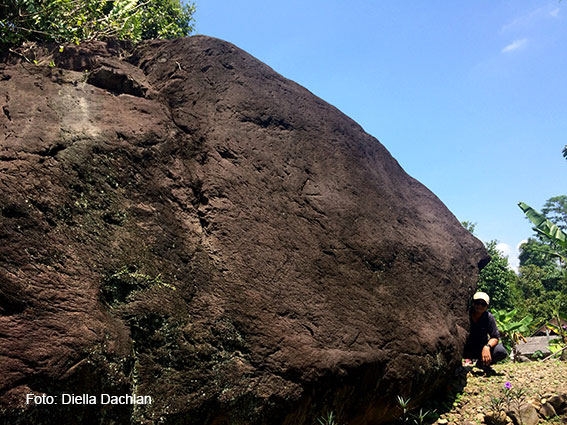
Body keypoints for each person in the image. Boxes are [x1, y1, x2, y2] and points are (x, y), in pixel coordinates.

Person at [462, 292, 507, 369]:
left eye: (483, 304)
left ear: (487, 307)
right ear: (473, 303)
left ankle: (482, 364)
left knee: (501, 351)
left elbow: (495, 337)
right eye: (477, 303)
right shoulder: (464, 315)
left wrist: (487, 347)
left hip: (481, 349)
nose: (479, 306)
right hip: (465, 348)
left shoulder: (489, 317)